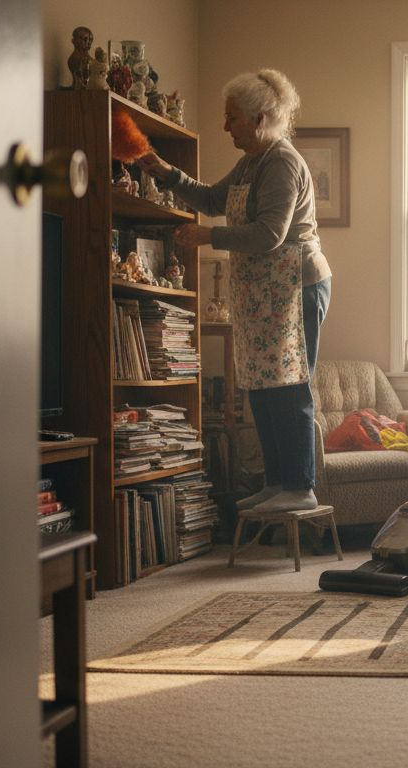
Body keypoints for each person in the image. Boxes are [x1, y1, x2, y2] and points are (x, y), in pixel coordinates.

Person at [139, 69, 331, 515]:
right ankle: (277, 480)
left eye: (232, 117)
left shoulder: (282, 162)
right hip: (265, 292)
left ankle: (300, 485)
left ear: (260, 118)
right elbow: (212, 200)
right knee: (261, 386)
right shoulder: (251, 162)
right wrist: (164, 172)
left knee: (291, 386)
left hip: (295, 288)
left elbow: (269, 234)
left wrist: (210, 239)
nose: (225, 126)